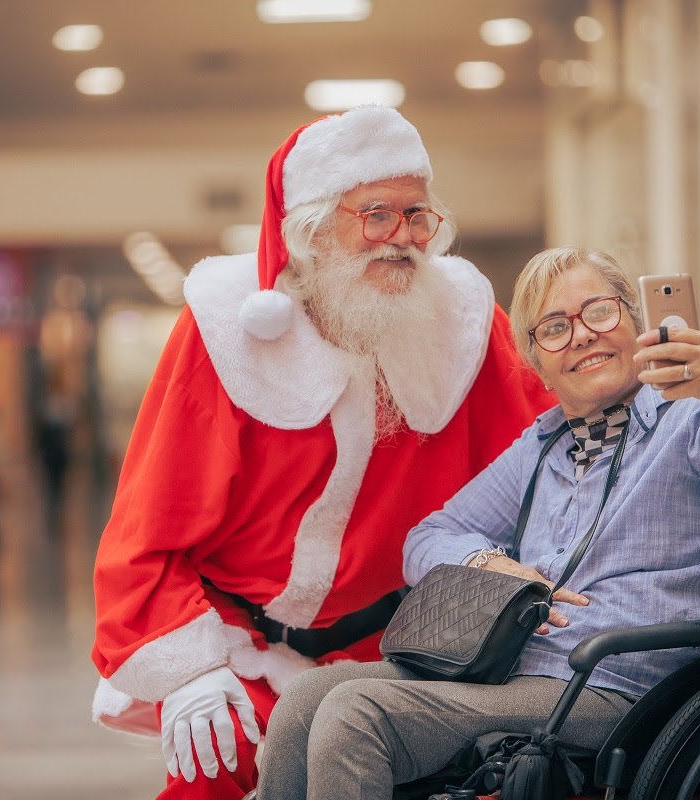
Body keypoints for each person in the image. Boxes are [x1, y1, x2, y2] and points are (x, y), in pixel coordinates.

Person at [88, 105, 554, 800]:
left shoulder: (461, 325)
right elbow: (146, 533)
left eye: (417, 216)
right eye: (376, 216)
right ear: (311, 231)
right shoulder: (224, 336)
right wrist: (190, 670)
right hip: (236, 643)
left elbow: (551, 457)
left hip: (408, 648)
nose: (402, 239)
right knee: (206, 775)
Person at [255, 246, 700, 800]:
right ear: (535, 362)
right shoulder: (542, 447)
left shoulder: (692, 418)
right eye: (554, 328)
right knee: (306, 700)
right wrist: (495, 567)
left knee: (357, 714)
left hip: (627, 686)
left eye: (599, 311)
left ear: (633, 320)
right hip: (520, 675)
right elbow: (427, 538)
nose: (583, 335)